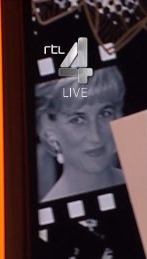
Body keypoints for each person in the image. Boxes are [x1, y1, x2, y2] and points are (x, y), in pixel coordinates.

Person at [35, 66, 126, 202]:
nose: (95, 137)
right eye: (77, 120)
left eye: (104, 113)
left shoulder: (146, 183)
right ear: (49, 130)